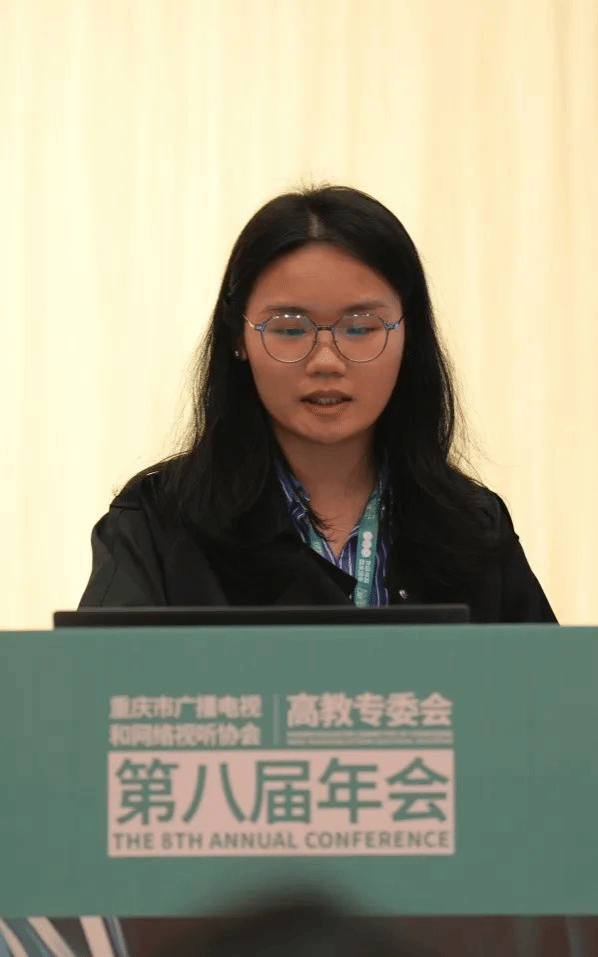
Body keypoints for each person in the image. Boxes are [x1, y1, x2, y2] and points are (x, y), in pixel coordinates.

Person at [79, 185, 556, 622]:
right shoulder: (157, 525)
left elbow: (546, 685)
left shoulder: (473, 527)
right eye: (289, 329)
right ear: (238, 338)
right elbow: (99, 684)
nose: (326, 360)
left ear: (409, 335)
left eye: (361, 327)